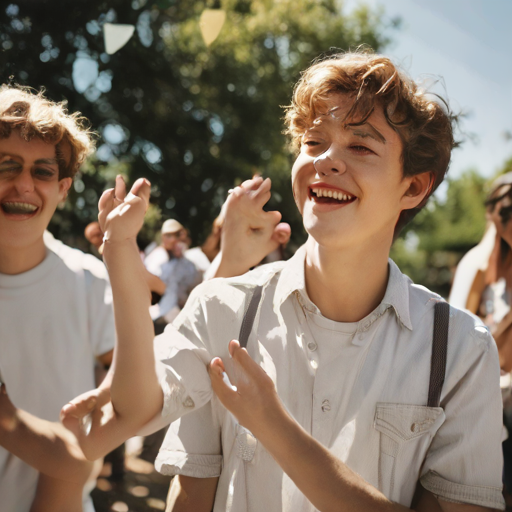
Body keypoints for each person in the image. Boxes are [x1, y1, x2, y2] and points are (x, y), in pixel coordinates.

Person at [63, 50, 504, 512]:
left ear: (413, 187)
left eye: (361, 146)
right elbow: (137, 412)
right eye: (313, 142)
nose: (326, 161)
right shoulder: (222, 306)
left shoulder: (460, 350)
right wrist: (121, 258)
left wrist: (273, 426)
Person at [0, 84, 115, 512]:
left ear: (64, 188)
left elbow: (128, 396)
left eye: (42, 171)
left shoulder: (89, 280)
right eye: (6, 166)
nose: (23, 185)